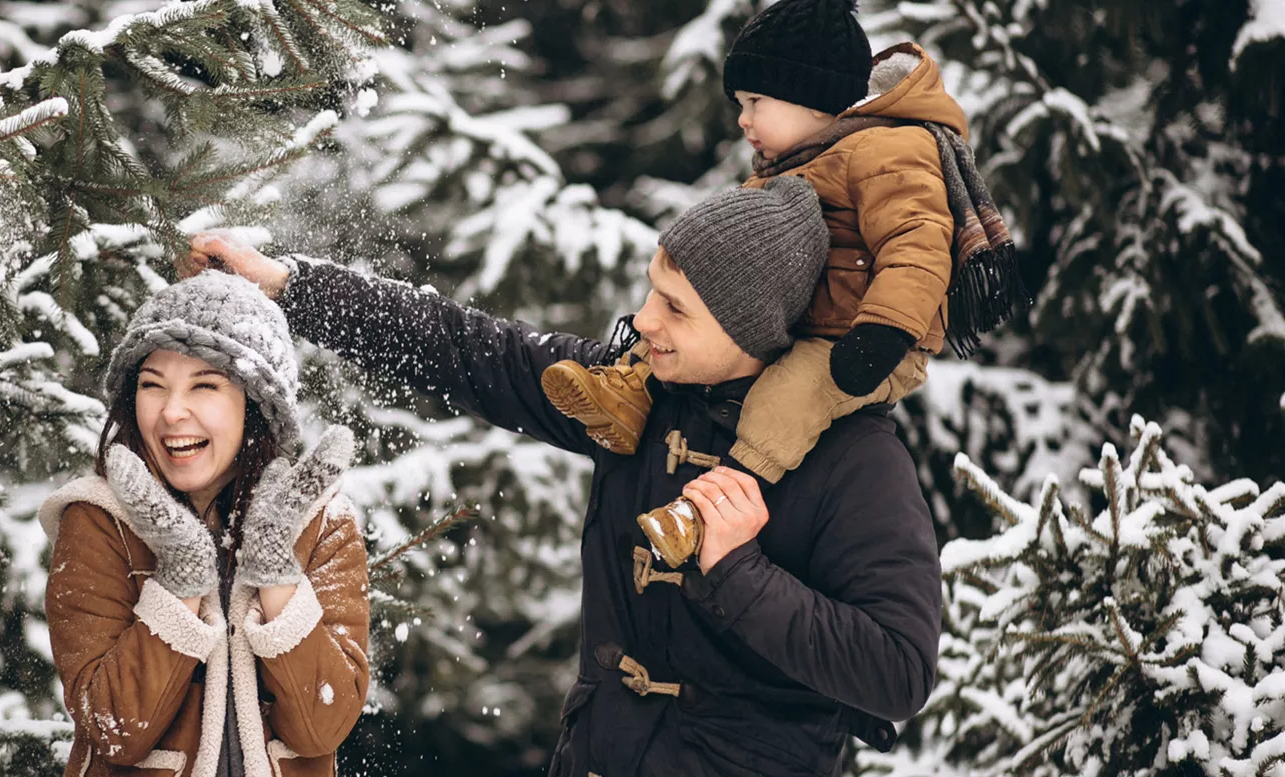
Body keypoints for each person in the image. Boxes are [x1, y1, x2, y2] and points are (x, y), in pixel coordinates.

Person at [185, 176, 942, 777]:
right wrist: (291, 287)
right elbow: (468, 348)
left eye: (674, 308)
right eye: (651, 291)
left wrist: (740, 571)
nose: (644, 320)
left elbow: (900, 673)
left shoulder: (857, 461)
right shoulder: (636, 395)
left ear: (748, 329)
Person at [541, 0, 1024, 484]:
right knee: (689, 316)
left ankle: (724, 493)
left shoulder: (888, 149)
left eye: (755, 103)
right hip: (799, 323)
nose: (742, 121)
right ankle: (627, 391)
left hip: (863, 342)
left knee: (785, 399)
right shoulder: (790, 164)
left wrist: (884, 331)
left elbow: (918, 248)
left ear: (811, 97)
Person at [37, 271, 370, 777]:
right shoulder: (99, 523)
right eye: (153, 386)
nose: (172, 412)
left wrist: (278, 570)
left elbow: (323, 727)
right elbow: (112, 729)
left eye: (205, 385)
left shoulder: (322, 524)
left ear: (255, 406)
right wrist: (180, 573)